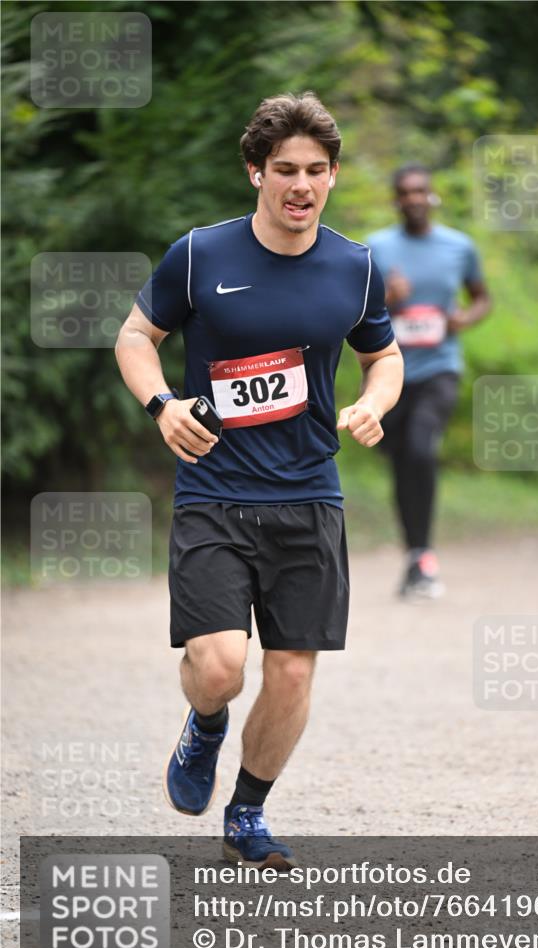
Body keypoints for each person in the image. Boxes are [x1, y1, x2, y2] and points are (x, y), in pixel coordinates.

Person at [115, 92, 403, 870]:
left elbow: (383, 354)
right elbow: (137, 335)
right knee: (218, 667)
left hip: (309, 496)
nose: (300, 185)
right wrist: (161, 402)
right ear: (255, 173)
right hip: (215, 491)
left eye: (315, 170)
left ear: (334, 175)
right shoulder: (202, 255)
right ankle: (205, 726)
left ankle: (246, 813)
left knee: (290, 674)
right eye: (284, 170)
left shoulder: (355, 265)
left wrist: (374, 402)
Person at [367, 164, 491, 599]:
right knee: (402, 461)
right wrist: (386, 298)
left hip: (440, 367)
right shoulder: (376, 248)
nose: (414, 198)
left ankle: (423, 556)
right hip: (389, 373)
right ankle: (415, 555)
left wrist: (463, 318)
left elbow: (482, 297)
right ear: (396, 200)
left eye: (421, 191)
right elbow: (353, 309)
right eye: (405, 192)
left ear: (432, 195)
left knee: (421, 446)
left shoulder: (459, 246)